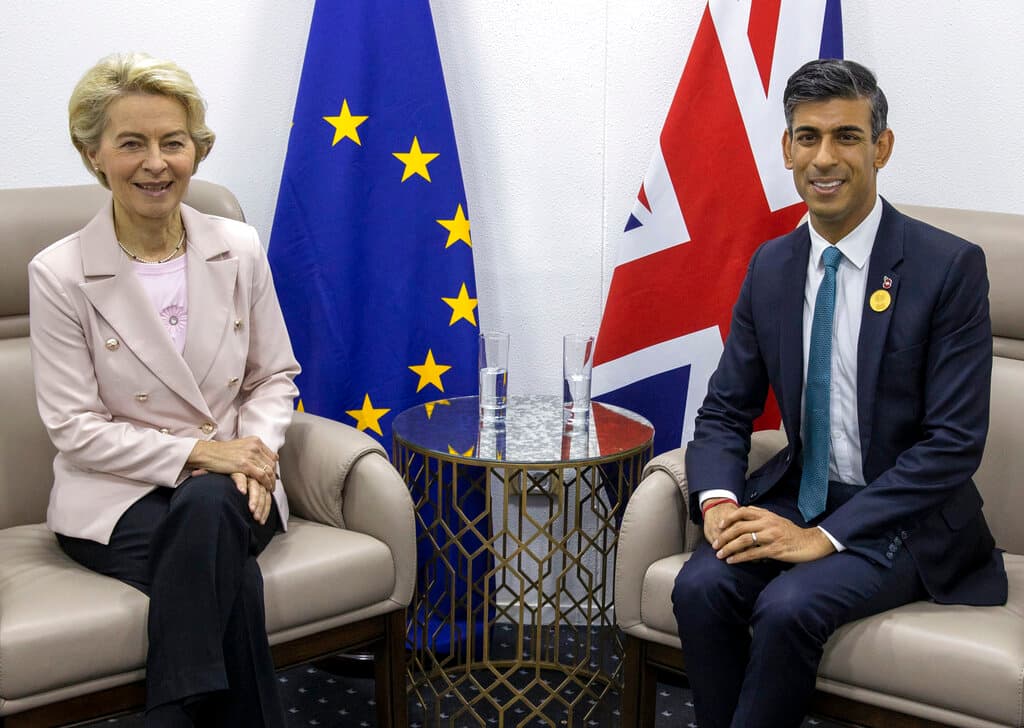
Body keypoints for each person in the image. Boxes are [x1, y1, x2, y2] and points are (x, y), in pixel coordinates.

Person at [672, 58, 1007, 728]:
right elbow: (726, 410)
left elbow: (952, 446)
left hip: (905, 519)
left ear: (881, 147)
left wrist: (822, 537)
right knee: (701, 585)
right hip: (801, 494)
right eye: (807, 137)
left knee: (789, 606)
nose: (825, 158)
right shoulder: (772, 265)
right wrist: (717, 504)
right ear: (788, 149)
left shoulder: (949, 267)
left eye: (846, 136)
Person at [28, 52, 300, 727]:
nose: (156, 162)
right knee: (224, 563)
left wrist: (255, 452)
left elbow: (275, 378)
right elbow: (75, 428)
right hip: (115, 503)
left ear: (197, 152)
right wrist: (209, 454)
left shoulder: (238, 247)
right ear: (93, 154)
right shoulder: (58, 273)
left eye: (173, 142)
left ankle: (169, 714)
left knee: (209, 510)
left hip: (237, 486)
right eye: (132, 143)